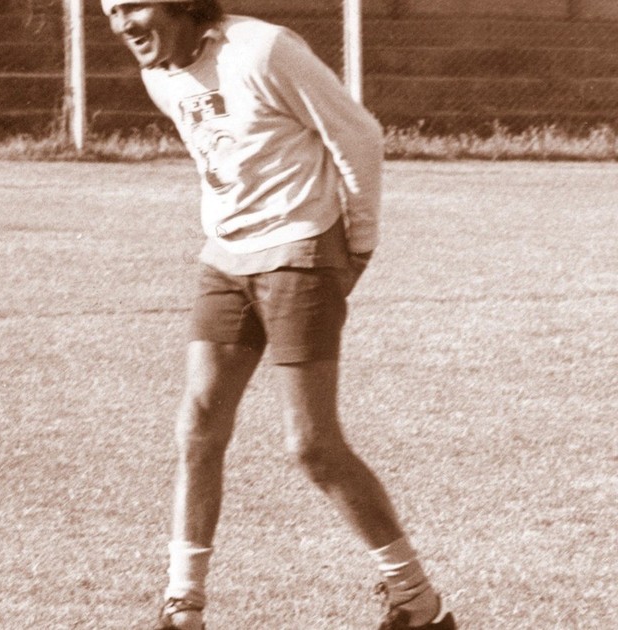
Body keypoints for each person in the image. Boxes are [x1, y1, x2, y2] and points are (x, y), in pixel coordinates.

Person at [99, 2, 455, 629]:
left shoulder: (264, 49)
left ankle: (416, 600)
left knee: (312, 445)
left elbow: (358, 135)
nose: (121, 24)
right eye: (109, 10)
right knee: (197, 426)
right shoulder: (160, 75)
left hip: (300, 251)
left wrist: (359, 242)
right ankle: (183, 605)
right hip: (224, 258)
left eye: (133, 4)